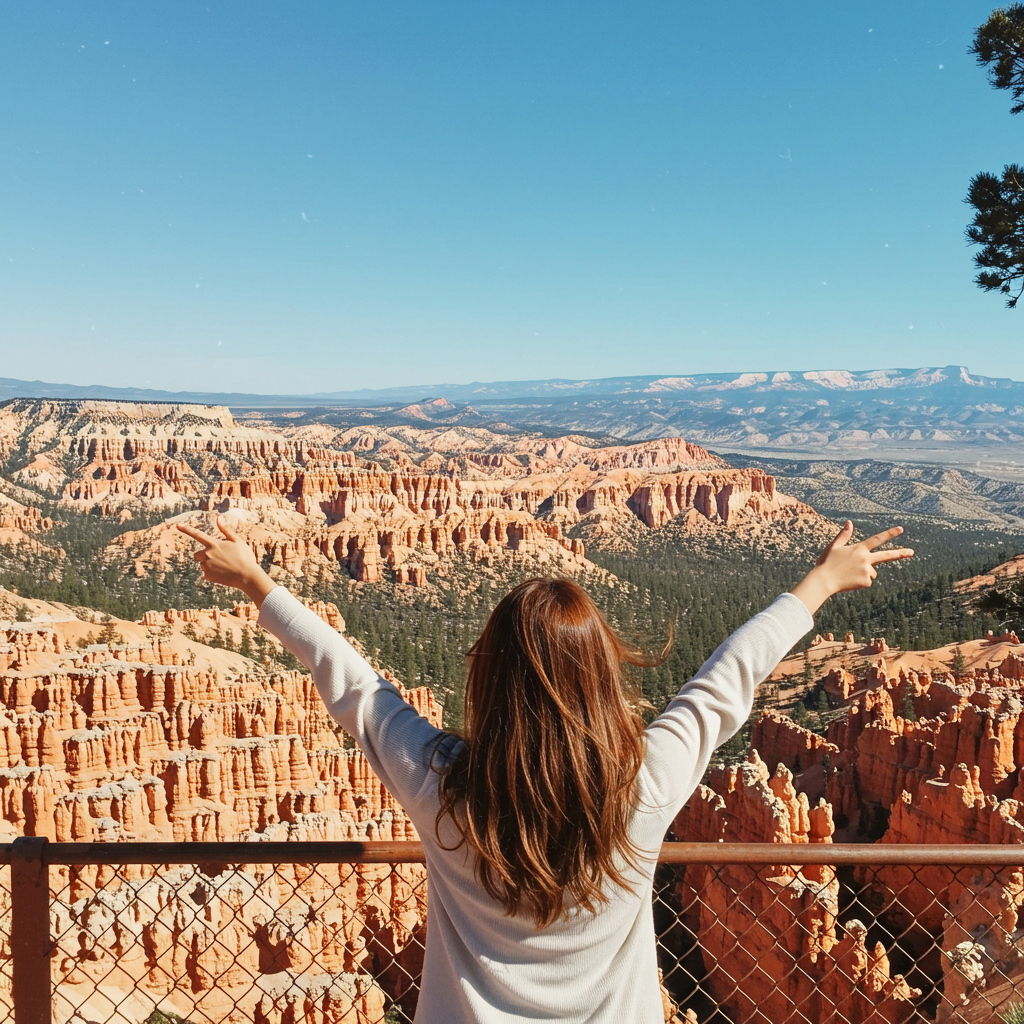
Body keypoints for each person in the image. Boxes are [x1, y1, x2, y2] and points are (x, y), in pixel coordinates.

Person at [178, 516, 912, 1024]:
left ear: (488, 677)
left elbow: (354, 685)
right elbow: (725, 683)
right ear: (600, 675)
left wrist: (258, 585)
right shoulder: (645, 783)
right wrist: (817, 585)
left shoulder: (441, 784)